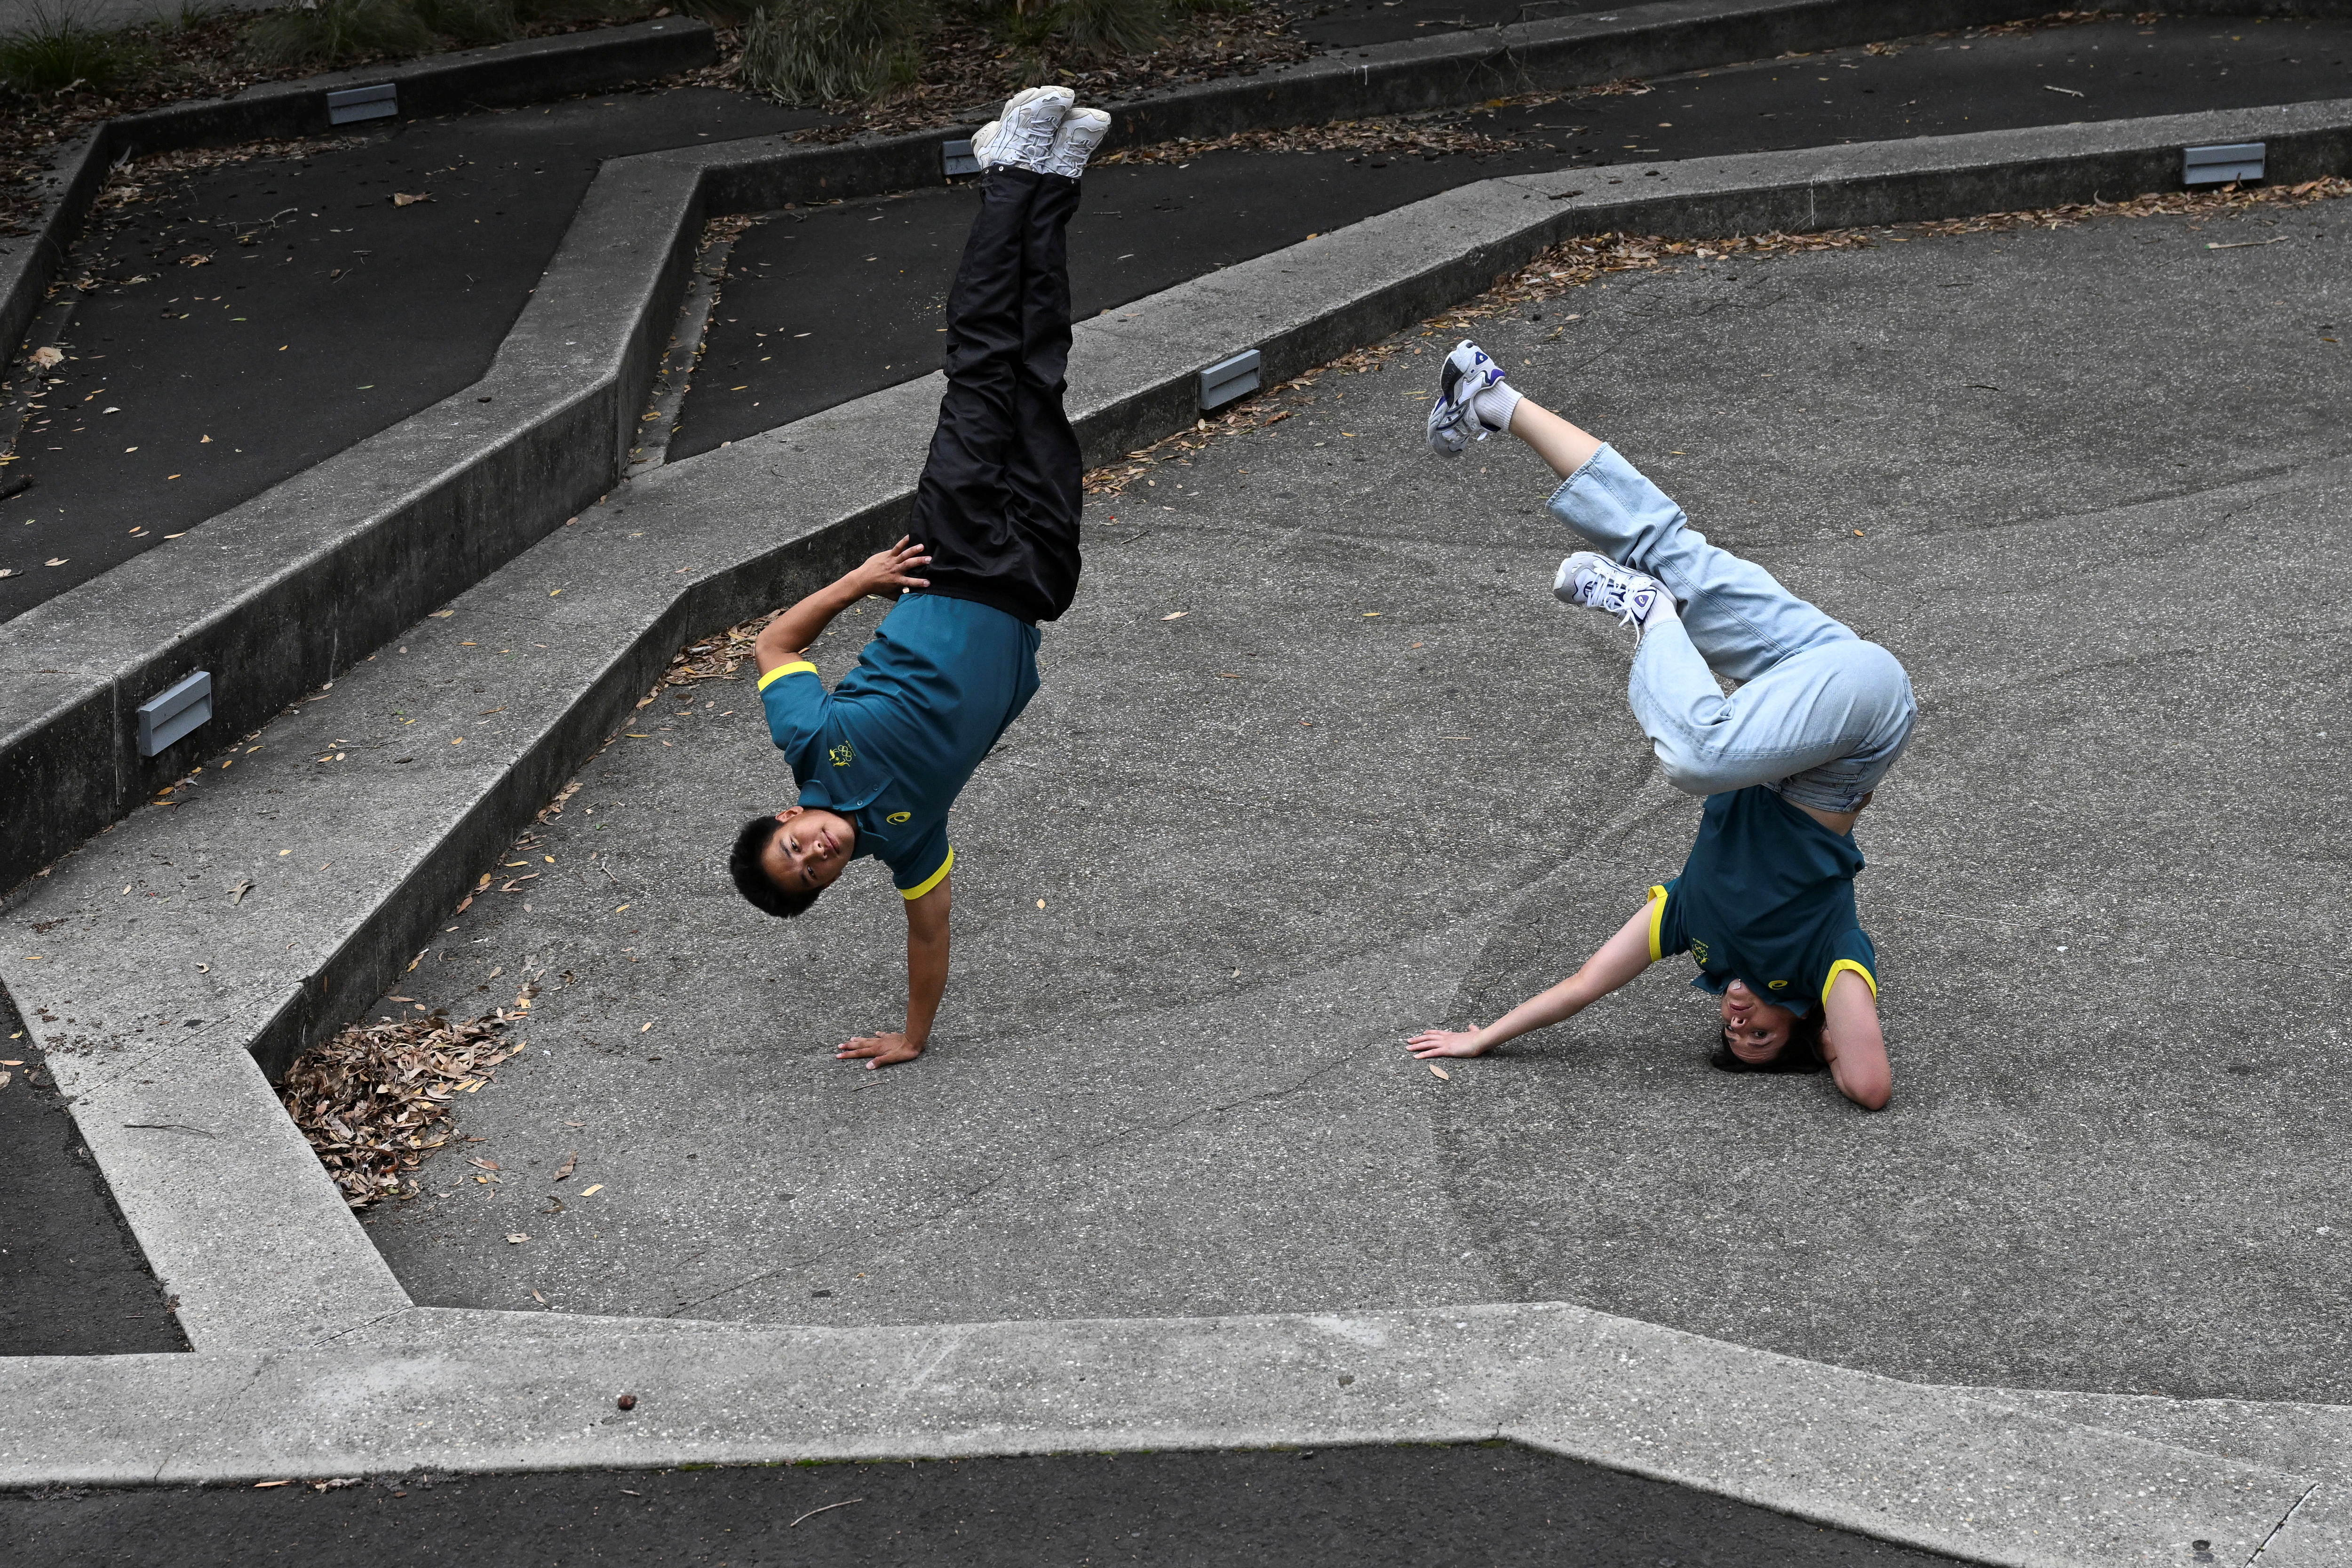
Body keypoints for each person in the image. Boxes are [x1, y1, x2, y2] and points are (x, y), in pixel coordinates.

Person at [1404, 340, 1914, 1110]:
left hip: (1803, 685)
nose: (1739, 1022)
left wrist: (1484, 1038)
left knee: (1661, 547)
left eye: (1733, 1035)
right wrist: (1832, 1043)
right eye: (1761, 1036)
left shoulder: (1693, 923)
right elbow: (1869, 1086)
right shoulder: (1825, 958)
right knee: (1696, 754)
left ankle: (1491, 399)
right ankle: (1649, 612)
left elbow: (1584, 984)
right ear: (1806, 1026)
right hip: (1862, 718)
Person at [727, 87, 1112, 1069]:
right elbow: (930, 932)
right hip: (1034, 584)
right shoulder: (911, 837)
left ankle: (1013, 171)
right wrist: (912, 1035)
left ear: (789, 815)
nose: (816, 853)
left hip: (947, 557)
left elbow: (771, 644)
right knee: (1038, 376)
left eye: (795, 845)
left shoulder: (810, 742)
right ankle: (1050, 186)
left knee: (984, 368)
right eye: (813, 874)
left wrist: (859, 580)